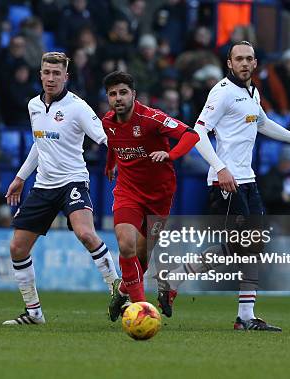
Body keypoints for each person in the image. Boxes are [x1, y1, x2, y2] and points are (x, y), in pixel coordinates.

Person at [159, 41, 290, 331]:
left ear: (256, 63)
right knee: (245, 245)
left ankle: (238, 313)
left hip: (247, 180)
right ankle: (232, 309)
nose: (245, 63)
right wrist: (219, 167)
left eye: (249, 59)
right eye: (239, 59)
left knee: (248, 246)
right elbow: (198, 131)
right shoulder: (222, 92)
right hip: (227, 181)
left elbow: (263, 123)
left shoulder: (253, 92)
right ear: (229, 63)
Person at [2, 52, 119, 325]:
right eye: (47, 72)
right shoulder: (33, 105)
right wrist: (20, 177)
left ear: (67, 77)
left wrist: (119, 160)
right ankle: (34, 313)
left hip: (73, 181)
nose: (51, 78)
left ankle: (118, 291)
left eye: (57, 74)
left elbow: (105, 138)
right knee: (17, 248)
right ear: (40, 75)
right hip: (43, 185)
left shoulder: (78, 107)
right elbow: (39, 144)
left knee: (86, 234)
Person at [101, 71, 200, 321]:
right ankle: (142, 310)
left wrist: (171, 155)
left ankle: (122, 292)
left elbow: (191, 135)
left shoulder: (152, 118)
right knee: (126, 243)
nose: (118, 98)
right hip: (127, 191)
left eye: (123, 92)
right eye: (112, 94)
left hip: (159, 195)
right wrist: (110, 163)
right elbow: (114, 143)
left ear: (133, 94)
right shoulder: (108, 121)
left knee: (143, 258)